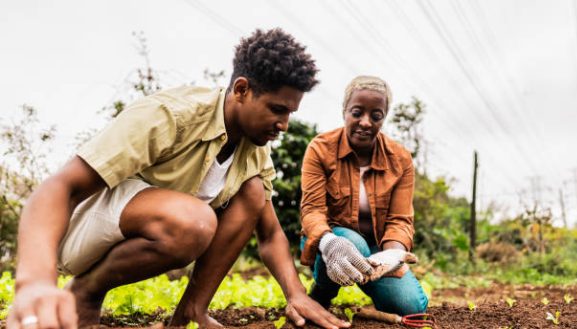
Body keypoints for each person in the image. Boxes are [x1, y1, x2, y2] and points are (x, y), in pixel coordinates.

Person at [8, 28, 351, 329]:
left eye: (290, 113)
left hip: (162, 226)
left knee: (253, 191)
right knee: (196, 221)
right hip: (84, 232)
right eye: (277, 109)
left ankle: (191, 310)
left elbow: (270, 232)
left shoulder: (254, 151)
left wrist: (296, 294)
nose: (284, 124)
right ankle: (84, 293)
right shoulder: (170, 115)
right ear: (242, 90)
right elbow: (59, 187)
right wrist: (35, 282)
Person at [299, 75, 429, 315]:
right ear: (344, 111)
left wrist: (392, 253)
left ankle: (373, 280)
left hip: (376, 247)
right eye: (357, 112)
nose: (366, 122)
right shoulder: (320, 149)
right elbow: (312, 211)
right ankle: (322, 293)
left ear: (384, 118)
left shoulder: (400, 159)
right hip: (328, 240)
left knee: (409, 307)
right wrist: (330, 242)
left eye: (376, 116)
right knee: (352, 242)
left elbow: (400, 219)